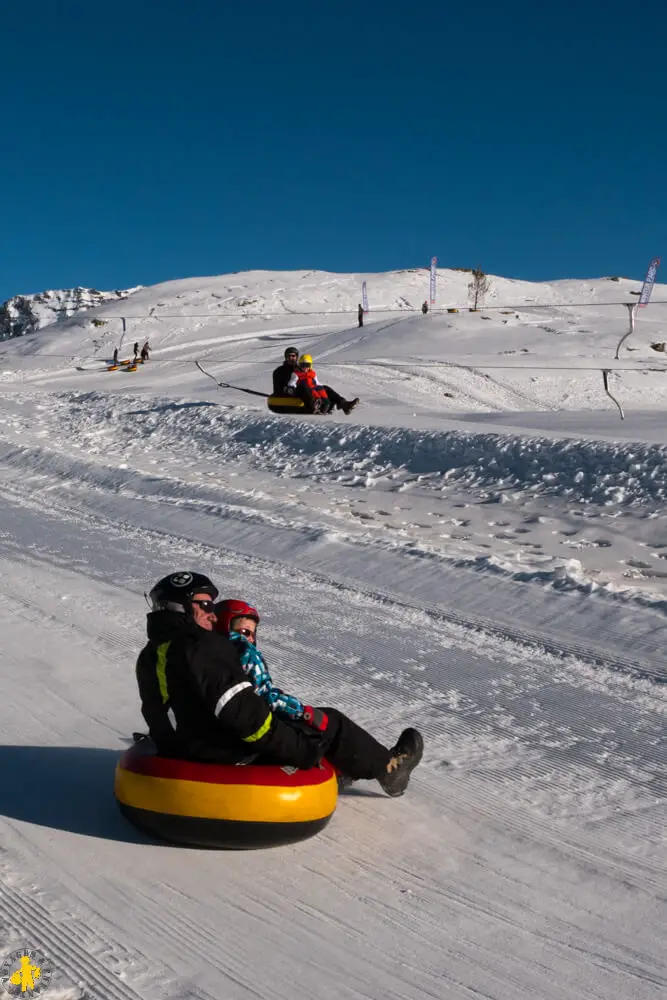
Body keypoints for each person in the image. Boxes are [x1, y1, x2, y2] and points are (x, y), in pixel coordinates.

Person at [134, 573, 423, 797]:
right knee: (329, 724)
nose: (212, 614)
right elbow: (246, 717)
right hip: (227, 753)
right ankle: (389, 772)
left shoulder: (150, 654)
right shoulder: (202, 646)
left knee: (297, 724)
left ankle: (345, 766)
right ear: (180, 607)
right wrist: (302, 751)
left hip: (185, 748)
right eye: (206, 605)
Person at [214, 597, 423, 796]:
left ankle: (341, 768)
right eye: (242, 630)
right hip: (251, 734)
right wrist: (302, 711)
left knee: (307, 724)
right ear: (225, 627)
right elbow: (264, 696)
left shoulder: (207, 654)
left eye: (251, 633)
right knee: (331, 722)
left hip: (223, 735)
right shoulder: (243, 651)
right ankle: (390, 771)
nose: (248, 638)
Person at [287, 354, 360, 416]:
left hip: (313, 391)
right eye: (302, 365)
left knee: (326, 388)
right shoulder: (296, 374)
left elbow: (317, 383)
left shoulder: (312, 373)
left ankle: (345, 405)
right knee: (304, 384)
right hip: (303, 392)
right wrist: (291, 388)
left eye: (307, 365)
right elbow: (291, 383)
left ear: (310, 365)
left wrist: (324, 389)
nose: (305, 367)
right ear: (300, 365)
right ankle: (316, 405)